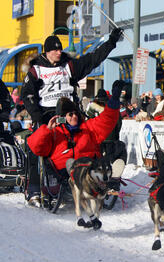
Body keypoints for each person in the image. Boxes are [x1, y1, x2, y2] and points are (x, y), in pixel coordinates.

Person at [20, 28, 123, 206]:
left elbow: (93, 59)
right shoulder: (36, 70)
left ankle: (97, 177)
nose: (59, 52)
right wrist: (37, 117)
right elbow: (27, 95)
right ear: (46, 51)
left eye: (60, 49)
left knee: (90, 137)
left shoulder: (69, 66)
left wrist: (111, 42)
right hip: (47, 114)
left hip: (71, 112)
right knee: (35, 147)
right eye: (55, 50)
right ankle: (34, 189)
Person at [26, 80, 125, 198]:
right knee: (71, 165)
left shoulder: (88, 127)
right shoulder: (54, 132)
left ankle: (109, 179)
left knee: (102, 163)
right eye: (70, 114)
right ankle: (91, 182)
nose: (74, 116)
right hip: (64, 171)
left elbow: (106, 120)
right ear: (62, 117)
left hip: (89, 166)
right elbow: (36, 147)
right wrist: (47, 129)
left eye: (75, 113)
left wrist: (114, 100)